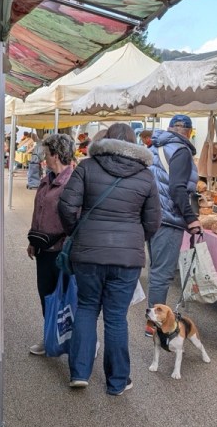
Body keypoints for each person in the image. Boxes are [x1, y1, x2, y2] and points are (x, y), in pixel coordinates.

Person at [57, 122, 160, 392]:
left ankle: (79, 373)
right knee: (116, 317)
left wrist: (77, 232)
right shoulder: (146, 176)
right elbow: (153, 221)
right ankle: (116, 382)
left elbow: (67, 206)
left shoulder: (87, 167)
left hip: (88, 253)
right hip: (127, 259)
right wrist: (135, 238)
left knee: (87, 308)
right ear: (135, 143)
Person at [146, 114, 201, 325]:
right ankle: (156, 324)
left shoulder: (154, 148)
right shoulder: (181, 151)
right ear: (189, 132)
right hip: (169, 218)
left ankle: (154, 319)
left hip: (152, 216)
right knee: (162, 274)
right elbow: (177, 188)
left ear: (170, 128)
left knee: (156, 270)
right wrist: (191, 218)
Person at [26, 133, 76, 355]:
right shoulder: (47, 180)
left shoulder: (73, 182)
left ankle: (80, 343)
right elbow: (39, 210)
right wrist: (33, 239)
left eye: (46, 154)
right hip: (43, 249)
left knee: (67, 299)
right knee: (46, 295)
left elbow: (77, 218)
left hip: (63, 251)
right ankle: (50, 339)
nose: (43, 158)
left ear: (55, 155)